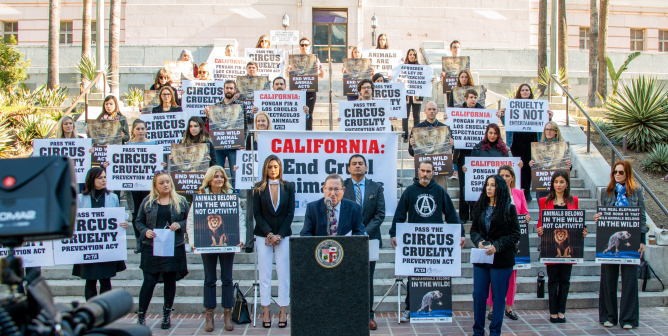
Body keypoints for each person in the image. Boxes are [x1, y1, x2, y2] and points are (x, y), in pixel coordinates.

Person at [390, 160, 465, 322]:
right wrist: (394, 233)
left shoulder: (439, 191)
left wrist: (461, 233)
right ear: (418, 171)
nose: (425, 174)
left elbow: (452, 215)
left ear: (433, 172)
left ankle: (439, 309)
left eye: (428, 171)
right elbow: (399, 215)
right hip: (415, 243)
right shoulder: (409, 191)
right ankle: (410, 309)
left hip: (435, 243)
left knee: (437, 276)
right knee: (413, 277)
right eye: (422, 171)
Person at [185, 166, 244, 332]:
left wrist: (241, 239)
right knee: (209, 279)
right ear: (209, 179)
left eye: (222, 177)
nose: (219, 179)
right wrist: (192, 241)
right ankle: (209, 314)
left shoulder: (231, 196)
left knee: (227, 278)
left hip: (228, 242)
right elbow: (191, 220)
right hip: (206, 242)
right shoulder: (201, 196)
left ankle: (227, 313)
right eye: (216, 176)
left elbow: (240, 219)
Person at [594, 160, 646, 329]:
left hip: (631, 240)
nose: (617, 174)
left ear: (628, 174)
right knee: (608, 279)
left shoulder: (637, 192)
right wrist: (598, 217)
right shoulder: (607, 192)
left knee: (630, 280)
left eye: (621, 172)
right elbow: (602, 213)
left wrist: (643, 241)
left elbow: (642, 217)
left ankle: (628, 319)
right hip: (610, 237)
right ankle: (609, 316)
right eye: (615, 172)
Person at [134, 171, 190, 328]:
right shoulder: (148, 201)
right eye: (162, 183)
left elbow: (190, 220)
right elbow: (138, 221)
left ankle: (166, 314)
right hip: (151, 247)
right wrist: (145, 231)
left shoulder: (180, 201)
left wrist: (181, 225)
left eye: (168, 182)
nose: (166, 185)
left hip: (173, 247)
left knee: (169, 281)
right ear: (155, 185)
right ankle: (141, 314)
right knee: (149, 281)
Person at [469, 174, 520, 336]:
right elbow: (474, 231)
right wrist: (478, 241)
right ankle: (478, 331)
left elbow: (515, 234)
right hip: (482, 258)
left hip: (502, 259)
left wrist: (497, 246)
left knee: (498, 297)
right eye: (487, 185)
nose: (488, 188)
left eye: (492, 185)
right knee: (479, 294)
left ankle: (495, 331)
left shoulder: (509, 208)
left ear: (500, 188)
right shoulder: (479, 206)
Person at [537, 171, 587, 323]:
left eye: (561, 182)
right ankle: (553, 311)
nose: (558, 185)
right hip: (551, 247)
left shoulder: (574, 201)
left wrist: (583, 231)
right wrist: (539, 229)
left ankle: (561, 311)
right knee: (553, 279)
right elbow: (541, 222)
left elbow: (578, 222)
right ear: (552, 184)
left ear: (567, 184)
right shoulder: (544, 201)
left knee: (565, 280)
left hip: (569, 247)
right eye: (556, 182)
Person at [342, 154, 385, 331]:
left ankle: (368, 315)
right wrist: (353, 234)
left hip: (370, 240)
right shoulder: (342, 186)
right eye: (354, 164)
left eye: (361, 164)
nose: (357, 166)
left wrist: (363, 233)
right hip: (346, 240)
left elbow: (380, 214)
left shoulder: (377, 187)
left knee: (367, 279)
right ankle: (347, 314)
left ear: (366, 168)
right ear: (348, 168)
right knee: (346, 278)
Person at [253, 155, 295, 329]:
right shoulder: (258, 188)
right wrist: (269, 234)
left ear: (280, 168)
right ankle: (266, 310)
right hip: (263, 236)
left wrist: (279, 235)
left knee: (283, 274)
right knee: (265, 274)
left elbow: (290, 213)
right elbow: (257, 214)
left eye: (276, 166)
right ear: (265, 168)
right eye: (270, 166)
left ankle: (283, 310)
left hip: (283, 236)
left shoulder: (289, 186)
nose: (273, 170)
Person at [73, 167, 129, 301]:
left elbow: (117, 217)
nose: (104, 180)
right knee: (90, 281)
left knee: (106, 280)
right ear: (92, 180)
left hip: (106, 245)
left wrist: (123, 222)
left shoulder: (113, 197)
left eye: (105, 177)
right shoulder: (81, 198)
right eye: (100, 178)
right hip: (89, 245)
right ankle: (91, 310)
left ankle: (106, 310)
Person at [486, 165, 531, 320]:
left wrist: (526, 217)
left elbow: (525, 212)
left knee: (512, 276)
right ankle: (491, 308)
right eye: (502, 175)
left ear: (512, 177)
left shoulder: (519, 193)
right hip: (496, 242)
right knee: (493, 276)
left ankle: (509, 307)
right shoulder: (492, 194)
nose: (504, 178)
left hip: (514, 242)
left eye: (507, 175)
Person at [497, 84, 554, 201]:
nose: (524, 92)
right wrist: (502, 116)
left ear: (530, 92)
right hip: (516, 141)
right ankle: (517, 191)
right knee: (517, 166)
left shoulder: (538, 106)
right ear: (519, 92)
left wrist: (549, 118)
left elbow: (544, 124)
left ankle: (526, 190)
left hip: (532, 141)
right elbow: (507, 124)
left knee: (528, 166)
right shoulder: (512, 107)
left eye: (527, 90)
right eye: (522, 90)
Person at [204, 80, 244, 188]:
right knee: (216, 174)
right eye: (227, 88)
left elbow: (243, 125)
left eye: (231, 88)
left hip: (234, 145)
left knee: (235, 174)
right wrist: (208, 116)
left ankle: (237, 197)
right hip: (218, 145)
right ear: (224, 89)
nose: (229, 90)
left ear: (235, 90)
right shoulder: (216, 106)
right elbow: (212, 126)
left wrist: (241, 142)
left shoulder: (240, 106)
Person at [300, 174, 366, 236]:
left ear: (343, 190)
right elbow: (305, 233)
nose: (332, 194)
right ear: (323, 189)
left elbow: (359, 233)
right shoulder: (312, 208)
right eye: (329, 189)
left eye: (336, 189)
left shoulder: (354, 208)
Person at [128, 119, 158, 253]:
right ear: (133, 130)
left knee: (150, 212)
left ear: (146, 130)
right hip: (133, 187)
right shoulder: (127, 145)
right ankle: (139, 240)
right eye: (138, 129)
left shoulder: (153, 144)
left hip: (149, 185)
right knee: (136, 214)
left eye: (142, 128)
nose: (140, 131)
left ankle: (149, 240)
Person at [454, 89, 483, 224]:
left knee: (477, 185)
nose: (473, 100)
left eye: (475, 97)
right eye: (471, 97)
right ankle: (464, 215)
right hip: (463, 154)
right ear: (465, 98)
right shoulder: (458, 112)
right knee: (463, 185)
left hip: (478, 154)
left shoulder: (483, 111)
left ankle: (476, 214)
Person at [528, 120, 572, 200]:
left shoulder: (563, 146)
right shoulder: (537, 146)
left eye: (551, 129)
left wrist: (569, 165)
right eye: (547, 129)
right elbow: (536, 167)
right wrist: (532, 164)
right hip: (542, 185)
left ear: (556, 132)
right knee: (543, 209)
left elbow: (566, 167)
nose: (548, 132)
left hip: (558, 187)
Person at [295, 37, 324, 131]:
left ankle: (308, 133)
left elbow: (322, 75)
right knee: (297, 113)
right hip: (297, 90)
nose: (304, 47)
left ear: (309, 46)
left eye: (306, 45)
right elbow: (288, 74)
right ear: (299, 46)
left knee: (309, 113)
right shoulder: (295, 59)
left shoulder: (315, 59)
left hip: (310, 90)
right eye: (302, 45)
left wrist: (318, 70)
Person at [402, 48, 424, 141]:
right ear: (408, 55)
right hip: (406, 94)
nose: (412, 56)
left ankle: (416, 134)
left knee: (416, 115)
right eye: (410, 54)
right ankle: (405, 135)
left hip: (417, 94)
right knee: (405, 115)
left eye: (413, 54)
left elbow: (425, 79)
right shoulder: (403, 67)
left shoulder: (421, 67)